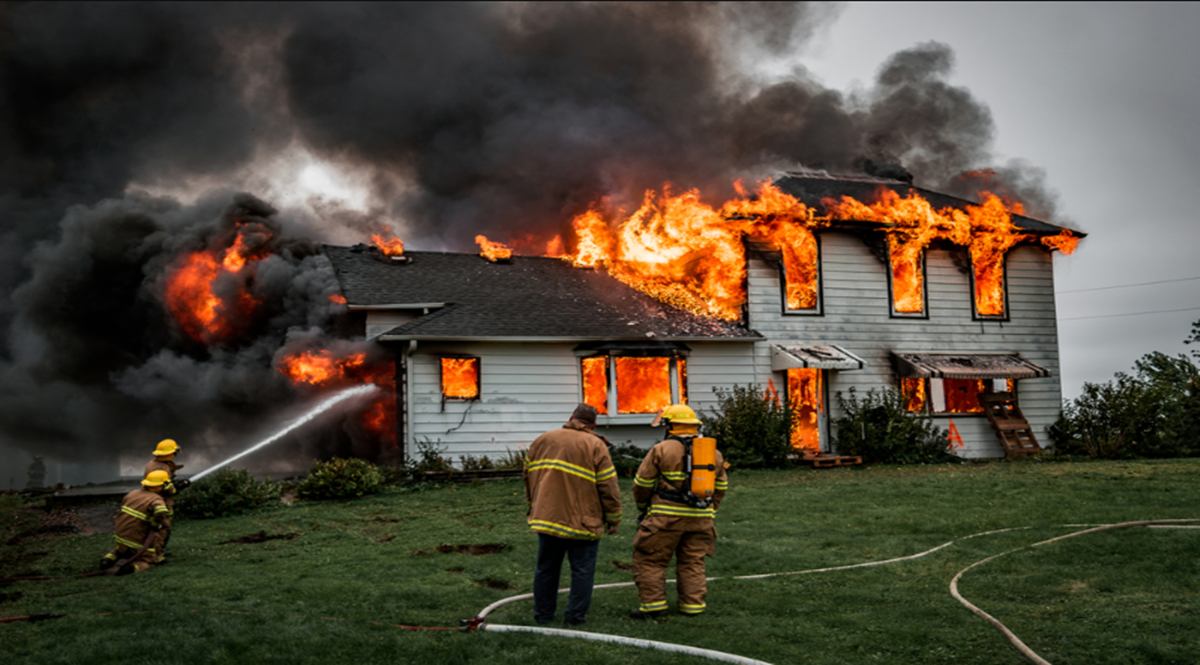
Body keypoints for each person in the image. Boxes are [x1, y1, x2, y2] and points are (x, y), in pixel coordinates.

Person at [524, 403, 622, 626]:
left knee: (546, 569)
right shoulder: (596, 445)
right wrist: (613, 519)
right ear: (592, 425)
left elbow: (528, 476)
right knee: (582, 571)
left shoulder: (543, 440)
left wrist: (534, 505)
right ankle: (575, 618)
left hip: (547, 517)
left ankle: (543, 615)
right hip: (582, 523)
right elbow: (609, 487)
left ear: (571, 418)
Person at [631, 403, 729, 618]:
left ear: (670, 425)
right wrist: (711, 509)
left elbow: (642, 484)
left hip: (666, 517)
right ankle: (692, 606)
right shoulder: (713, 452)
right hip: (702, 518)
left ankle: (653, 606)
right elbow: (721, 487)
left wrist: (643, 506)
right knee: (692, 561)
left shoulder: (662, 449)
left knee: (651, 559)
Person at [99, 470, 173, 575]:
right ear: (160, 486)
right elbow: (161, 512)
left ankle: (108, 559)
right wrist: (158, 523)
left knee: (120, 550)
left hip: (121, 538)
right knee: (149, 559)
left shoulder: (132, 493)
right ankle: (131, 568)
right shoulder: (156, 499)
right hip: (138, 543)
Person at [144, 438, 187, 562]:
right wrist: (178, 487)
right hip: (160, 502)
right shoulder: (162, 468)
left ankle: (154, 550)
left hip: (152, 499)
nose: (175, 454)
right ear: (169, 454)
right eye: (174, 452)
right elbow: (164, 489)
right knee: (162, 528)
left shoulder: (152, 464)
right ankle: (157, 555)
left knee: (156, 527)